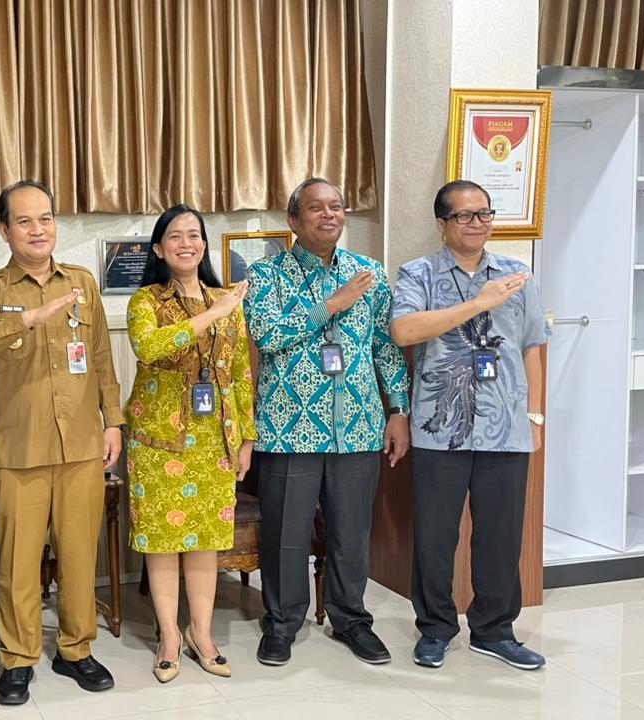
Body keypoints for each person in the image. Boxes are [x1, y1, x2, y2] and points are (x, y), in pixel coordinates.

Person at [0, 180, 125, 706]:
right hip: (21, 452)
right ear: (4, 230)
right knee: (19, 565)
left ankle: (76, 649)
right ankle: (18, 658)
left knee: (79, 558)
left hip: (81, 447)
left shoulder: (81, 282)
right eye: (24, 221)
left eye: (46, 218)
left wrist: (113, 422)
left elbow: (101, 358)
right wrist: (25, 320)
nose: (37, 229)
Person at [244, 178, 411, 667]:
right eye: (316, 208)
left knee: (351, 534)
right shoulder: (266, 274)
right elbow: (267, 334)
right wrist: (331, 305)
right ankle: (282, 624)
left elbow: (386, 348)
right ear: (293, 220)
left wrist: (398, 411)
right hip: (288, 430)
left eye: (336, 207)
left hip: (357, 426)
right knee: (285, 536)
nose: (329, 215)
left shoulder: (369, 273)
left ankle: (351, 620)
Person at [390, 179, 549, 671]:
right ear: (442, 224)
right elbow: (404, 330)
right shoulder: (418, 274)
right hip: (441, 428)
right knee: (435, 539)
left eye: (485, 213)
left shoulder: (518, 275)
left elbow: (533, 345)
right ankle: (435, 629)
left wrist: (536, 415)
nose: (477, 223)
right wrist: (478, 303)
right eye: (465, 215)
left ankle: (495, 630)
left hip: (507, 426)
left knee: (501, 536)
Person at [123, 204, 254, 683]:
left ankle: (202, 634)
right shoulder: (145, 301)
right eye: (175, 236)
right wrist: (213, 314)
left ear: (203, 244)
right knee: (161, 542)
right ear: (159, 249)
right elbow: (149, 347)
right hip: (158, 440)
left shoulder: (226, 299)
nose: (186, 243)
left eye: (194, 234)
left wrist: (246, 438)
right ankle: (168, 638)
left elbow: (240, 373)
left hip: (215, 438)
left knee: (204, 543)